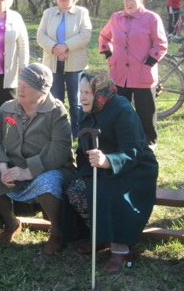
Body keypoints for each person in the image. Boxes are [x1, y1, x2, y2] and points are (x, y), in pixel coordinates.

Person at [0, 63, 75, 254]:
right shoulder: (7, 108)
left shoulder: (57, 111)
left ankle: (57, 231)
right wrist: (3, 169)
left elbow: (59, 150)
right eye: (20, 83)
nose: (20, 88)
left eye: (27, 86)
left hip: (51, 168)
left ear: (41, 92)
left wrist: (27, 171)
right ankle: (11, 223)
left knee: (48, 182)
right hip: (14, 166)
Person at [64, 71, 158, 273]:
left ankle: (121, 249)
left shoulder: (121, 108)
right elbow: (83, 145)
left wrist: (108, 161)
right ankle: (100, 235)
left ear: (100, 92)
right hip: (98, 165)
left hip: (134, 167)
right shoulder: (85, 110)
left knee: (107, 192)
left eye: (88, 92)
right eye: (81, 92)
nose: (83, 97)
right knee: (76, 189)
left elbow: (134, 149)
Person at [99, 0, 167, 147]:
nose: (129, 4)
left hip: (142, 72)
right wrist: (109, 55)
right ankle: (122, 137)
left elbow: (161, 44)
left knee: (146, 110)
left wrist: (149, 62)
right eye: (126, 1)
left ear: (140, 1)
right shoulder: (116, 18)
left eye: (133, 0)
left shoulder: (152, 18)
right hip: (120, 72)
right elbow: (103, 36)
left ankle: (149, 140)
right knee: (120, 108)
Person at [36, 0, 92, 136]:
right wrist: (55, 48)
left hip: (74, 64)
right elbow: (41, 35)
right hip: (53, 64)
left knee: (77, 100)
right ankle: (58, 131)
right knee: (55, 99)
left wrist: (65, 46)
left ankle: (78, 132)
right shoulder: (48, 13)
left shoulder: (82, 13)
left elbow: (85, 34)